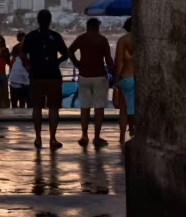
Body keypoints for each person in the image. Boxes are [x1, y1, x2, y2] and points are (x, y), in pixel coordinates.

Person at [21, 9, 69, 150]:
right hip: (53, 76)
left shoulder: (31, 36)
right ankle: (53, 139)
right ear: (50, 20)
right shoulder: (55, 36)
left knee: (37, 108)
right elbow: (66, 54)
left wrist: (29, 67)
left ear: (37, 20)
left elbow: (22, 54)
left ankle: (38, 138)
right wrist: (57, 62)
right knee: (53, 108)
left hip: (36, 76)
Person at [68, 17, 114, 148]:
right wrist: (115, 74)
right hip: (99, 76)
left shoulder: (81, 38)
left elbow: (69, 50)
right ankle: (97, 136)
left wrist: (76, 63)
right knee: (99, 108)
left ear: (87, 26)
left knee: (85, 107)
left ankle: (84, 135)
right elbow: (108, 59)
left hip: (84, 76)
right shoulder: (102, 40)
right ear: (96, 27)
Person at [114, 16, 134, 145]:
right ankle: (134, 130)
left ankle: (122, 136)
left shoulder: (123, 40)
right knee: (138, 108)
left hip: (127, 78)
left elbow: (119, 62)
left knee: (124, 110)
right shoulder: (145, 39)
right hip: (141, 78)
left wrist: (116, 80)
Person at [9, 44, 30, 108]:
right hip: (17, 79)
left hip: (24, 79)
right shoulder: (16, 59)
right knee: (16, 102)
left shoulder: (19, 59)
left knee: (22, 101)